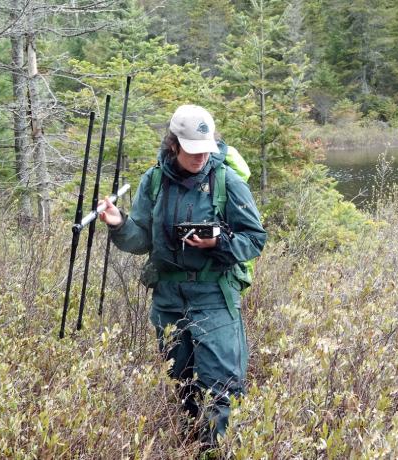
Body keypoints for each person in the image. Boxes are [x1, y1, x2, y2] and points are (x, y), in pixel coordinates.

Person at [99, 104, 266, 446]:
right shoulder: (155, 180)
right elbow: (143, 239)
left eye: (205, 151)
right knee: (183, 384)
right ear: (173, 144)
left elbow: (255, 239)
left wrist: (218, 242)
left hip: (215, 297)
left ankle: (218, 452)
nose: (199, 158)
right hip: (169, 300)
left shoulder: (226, 180)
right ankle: (192, 447)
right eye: (191, 151)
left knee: (221, 388)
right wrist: (119, 224)